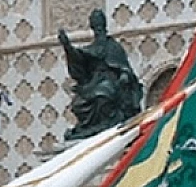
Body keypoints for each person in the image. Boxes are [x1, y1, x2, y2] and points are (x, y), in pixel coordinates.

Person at [58, 8, 143, 140]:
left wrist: (124, 75)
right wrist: (67, 46)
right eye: (95, 25)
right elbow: (79, 60)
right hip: (94, 82)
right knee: (78, 104)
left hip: (111, 81)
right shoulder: (91, 48)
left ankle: (108, 126)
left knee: (103, 94)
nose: (98, 28)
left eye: (100, 25)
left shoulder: (113, 46)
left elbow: (124, 67)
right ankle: (91, 129)